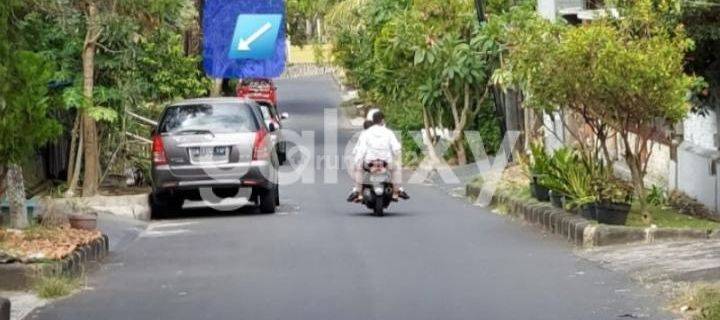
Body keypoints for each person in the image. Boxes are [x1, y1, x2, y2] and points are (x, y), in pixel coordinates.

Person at [347, 111, 410, 202]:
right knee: (396, 169)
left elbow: (361, 150)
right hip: (385, 163)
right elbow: (396, 149)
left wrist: (358, 161)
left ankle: (358, 192)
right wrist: (398, 159)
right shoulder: (389, 132)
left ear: (373, 120)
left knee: (358, 169)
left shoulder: (366, 133)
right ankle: (396, 193)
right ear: (383, 121)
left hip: (370, 163)